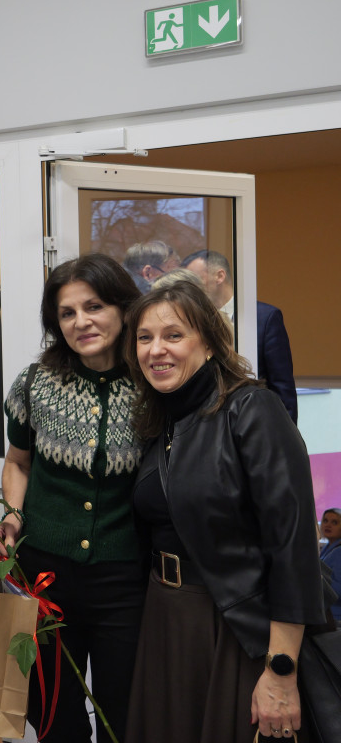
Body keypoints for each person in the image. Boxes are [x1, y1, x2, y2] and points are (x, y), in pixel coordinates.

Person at [123, 278, 324, 743]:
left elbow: (293, 548)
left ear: (211, 343)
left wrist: (280, 671)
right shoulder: (157, 421)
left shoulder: (252, 410)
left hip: (233, 628)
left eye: (174, 335)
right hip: (165, 620)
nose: (157, 350)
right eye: (144, 338)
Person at [0, 253, 145, 743]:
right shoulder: (35, 383)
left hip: (125, 579)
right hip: (45, 575)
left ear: (123, 308)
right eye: (67, 312)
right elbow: (18, 461)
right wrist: (12, 515)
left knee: (123, 713)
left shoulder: (153, 385)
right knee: (54, 712)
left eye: (94, 306)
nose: (82, 322)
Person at [183, 249, 299, 423]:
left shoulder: (264, 317)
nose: (192, 289)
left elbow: (282, 386)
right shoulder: (195, 321)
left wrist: (285, 436)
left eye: (196, 279)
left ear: (219, 276)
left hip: (255, 419)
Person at [321, 508, 341, 623]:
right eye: (325, 520)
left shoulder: (339, 552)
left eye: (334, 522)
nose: (328, 525)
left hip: (336, 617)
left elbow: (338, 589)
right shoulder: (327, 547)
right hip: (327, 615)